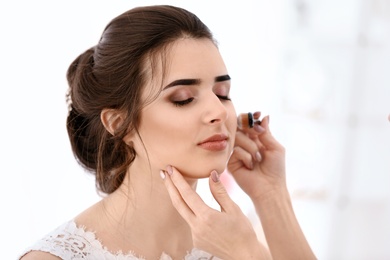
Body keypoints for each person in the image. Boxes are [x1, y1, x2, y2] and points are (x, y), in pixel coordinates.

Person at [20, 5, 316, 260]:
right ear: (118, 123)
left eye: (222, 93)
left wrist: (271, 196)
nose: (219, 112)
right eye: (183, 99)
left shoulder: (235, 240)